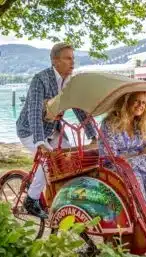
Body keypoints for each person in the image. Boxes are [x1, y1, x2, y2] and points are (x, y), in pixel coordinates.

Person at [16, 42, 97, 219]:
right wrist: (40, 142)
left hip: (53, 130)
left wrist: (93, 136)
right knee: (48, 160)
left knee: (70, 158)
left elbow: (80, 110)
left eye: (73, 58)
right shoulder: (41, 79)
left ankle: (62, 196)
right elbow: (34, 112)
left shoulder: (71, 82)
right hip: (30, 130)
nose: (72, 62)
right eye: (68, 58)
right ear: (55, 61)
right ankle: (31, 199)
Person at [98, 91, 146, 238]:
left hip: (137, 167)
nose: (141, 106)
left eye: (144, 103)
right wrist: (139, 154)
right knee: (142, 164)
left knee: (141, 169)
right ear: (126, 102)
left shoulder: (140, 123)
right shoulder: (110, 123)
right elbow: (110, 155)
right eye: (137, 101)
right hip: (112, 167)